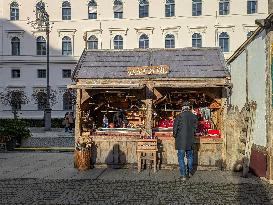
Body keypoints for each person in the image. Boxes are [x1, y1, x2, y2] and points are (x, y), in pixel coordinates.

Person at [173, 101, 198, 180]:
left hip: (181, 141)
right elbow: (195, 128)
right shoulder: (194, 116)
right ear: (189, 108)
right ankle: (190, 172)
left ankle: (183, 175)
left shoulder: (179, 116)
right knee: (190, 157)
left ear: (182, 108)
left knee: (181, 158)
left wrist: (175, 136)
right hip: (190, 140)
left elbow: (175, 129)